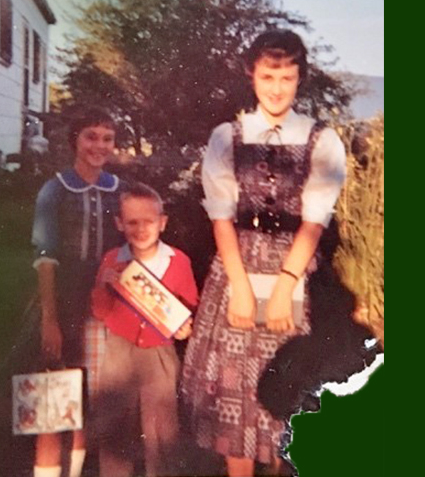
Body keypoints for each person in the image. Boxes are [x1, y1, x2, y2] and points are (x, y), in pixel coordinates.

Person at [180, 30, 347, 477]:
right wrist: (238, 286)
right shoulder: (227, 138)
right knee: (235, 397)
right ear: (252, 73)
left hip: (293, 269)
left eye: (287, 77)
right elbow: (221, 217)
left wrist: (285, 286)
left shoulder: (320, 140)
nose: (276, 87)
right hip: (237, 267)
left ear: (300, 79)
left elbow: (314, 222)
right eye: (268, 75)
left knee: (285, 393)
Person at [30, 108, 124, 477]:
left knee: (88, 398)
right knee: (53, 402)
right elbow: (45, 258)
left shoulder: (118, 190)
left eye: (107, 138)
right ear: (74, 140)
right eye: (90, 136)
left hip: (104, 305)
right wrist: (49, 319)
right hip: (64, 303)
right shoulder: (54, 190)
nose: (98, 145)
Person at [90, 183, 198, 477]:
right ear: (120, 224)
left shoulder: (178, 261)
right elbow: (99, 310)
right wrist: (105, 284)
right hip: (119, 350)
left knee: (162, 429)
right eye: (132, 222)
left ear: (162, 223)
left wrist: (184, 329)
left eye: (148, 221)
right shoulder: (113, 259)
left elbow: (186, 307)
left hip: (159, 352)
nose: (140, 229)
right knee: (116, 426)